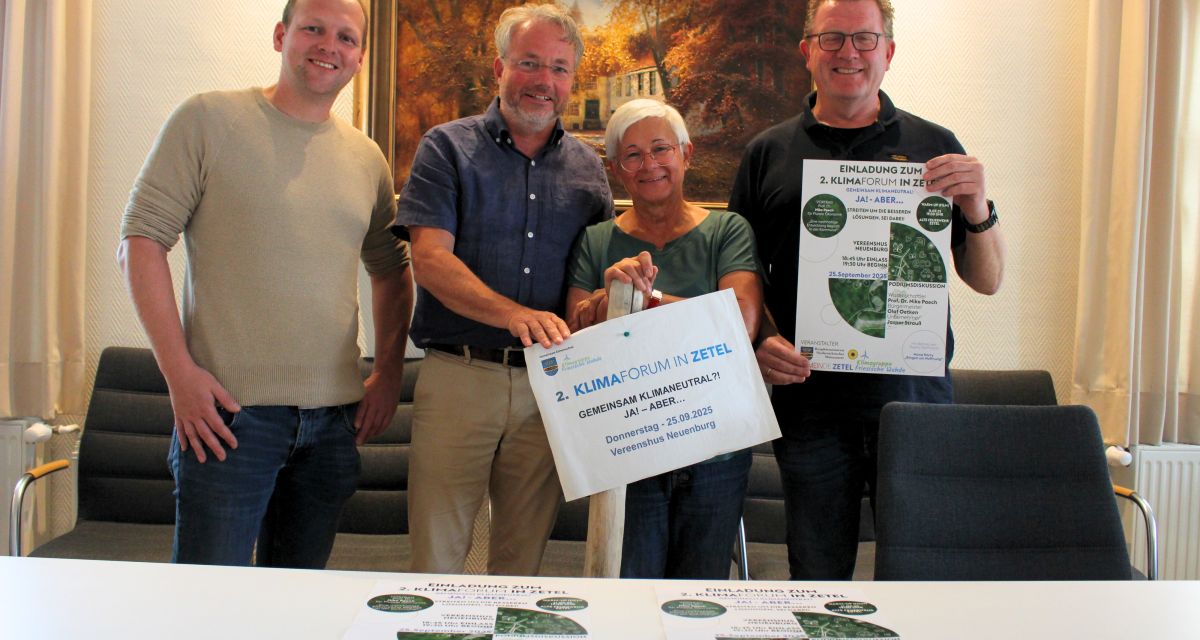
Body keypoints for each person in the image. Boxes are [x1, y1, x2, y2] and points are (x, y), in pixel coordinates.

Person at [117, 0, 413, 568]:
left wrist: (390, 371)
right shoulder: (206, 119)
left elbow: (392, 269)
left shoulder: (366, 158)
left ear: (360, 55)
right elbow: (139, 243)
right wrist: (179, 375)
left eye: (346, 37)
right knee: (210, 610)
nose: (330, 46)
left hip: (333, 425)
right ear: (282, 35)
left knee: (295, 610)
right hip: (228, 420)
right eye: (313, 29)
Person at [730, 0, 1006, 580]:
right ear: (807, 51)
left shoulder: (937, 145)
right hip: (809, 401)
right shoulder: (767, 153)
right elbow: (740, 277)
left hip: (911, 401)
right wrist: (758, 343)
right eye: (831, 39)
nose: (848, 52)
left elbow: (987, 279)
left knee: (919, 569)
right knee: (816, 573)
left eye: (863, 38)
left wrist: (977, 206)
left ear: (888, 52)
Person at [394, 3, 612, 576]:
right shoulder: (446, 147)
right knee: (437, 564)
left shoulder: (590, 169)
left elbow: (585, 284)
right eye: (530, 63)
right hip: (459, 377)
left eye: (560, 69)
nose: (545, 81)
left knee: (520, 567)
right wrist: (515, 313)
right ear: (499, 69)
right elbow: (430, 259)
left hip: (549, 386)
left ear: (572, 80)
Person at [565, 99, 763, 579]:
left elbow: (740, 324)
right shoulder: (595, 240)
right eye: (631, 156)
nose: (648, 164)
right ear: (615, 170)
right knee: (628, 595)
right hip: (627, 452)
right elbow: (574, 338)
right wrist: (600, 309)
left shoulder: (727, 230)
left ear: (686, 154)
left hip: (716, 448)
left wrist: (639, 300)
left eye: (660, 149)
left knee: (701, 600)